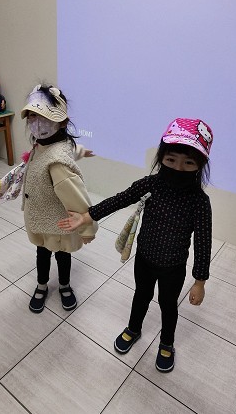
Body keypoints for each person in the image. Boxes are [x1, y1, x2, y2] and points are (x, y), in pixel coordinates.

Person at [58, 118, 213, 373]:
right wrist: (88, 216)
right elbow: (121, 199)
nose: (178, 167)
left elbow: (203, 242)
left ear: (200, 164)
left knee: (168, 304)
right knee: (141, 295)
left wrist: (200, 281)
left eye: (188, 163)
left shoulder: (199, 201)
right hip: (144, 259)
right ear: (161, 157)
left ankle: (167, 342)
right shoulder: (151, 184)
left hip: (174, 267)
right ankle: (133, 328)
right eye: (171, 159)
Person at [20, 84, 98, 314]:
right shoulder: (45, 145)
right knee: (42, 254)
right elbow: (70, 149)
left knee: (62, 255)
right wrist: (82, 152)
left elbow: (76, 197)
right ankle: (42, 285)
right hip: (41, 218)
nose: (37, 122)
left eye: (44, 117)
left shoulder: (57, 163)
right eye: (32, 116)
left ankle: (64, 285)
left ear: (62, 122)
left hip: (59, 223)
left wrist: (87, 228)